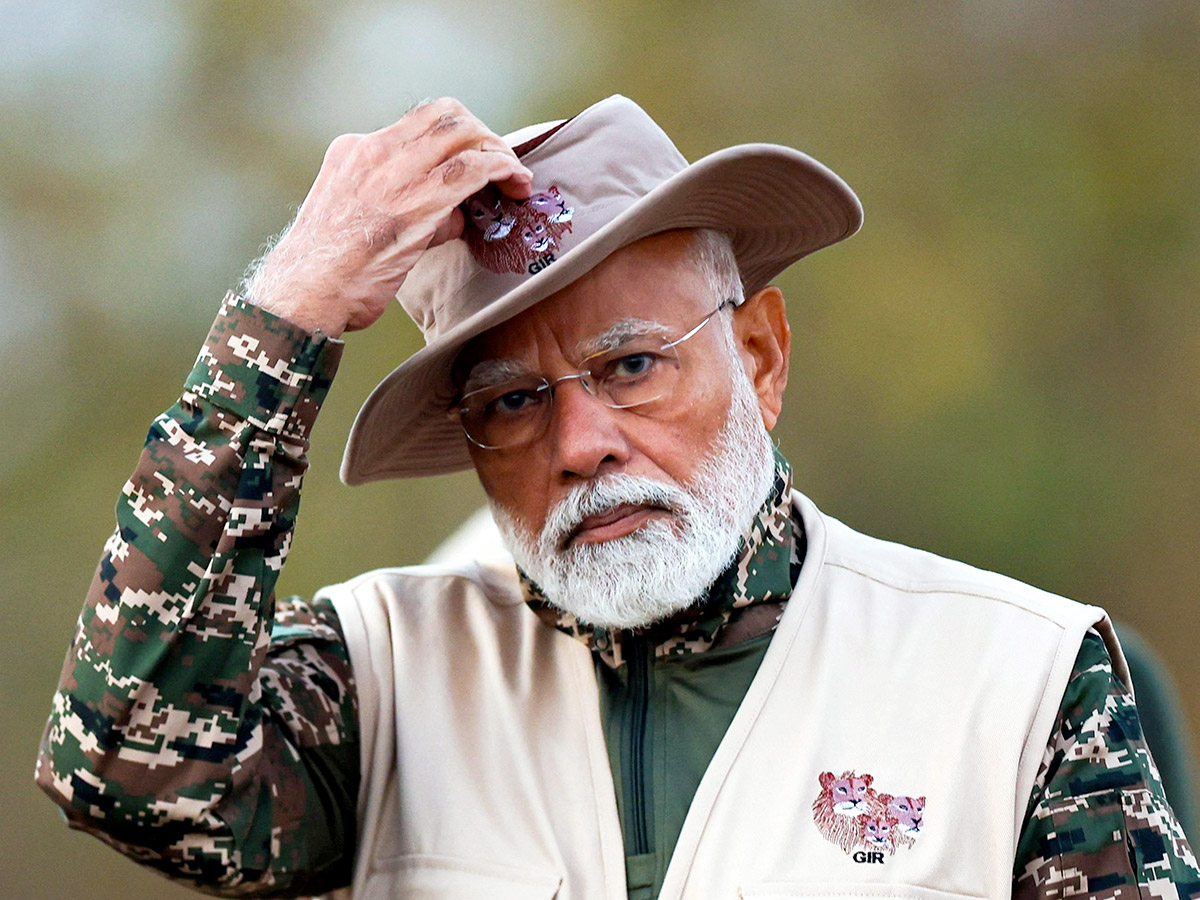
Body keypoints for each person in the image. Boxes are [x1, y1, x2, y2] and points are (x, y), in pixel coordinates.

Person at [36, 95, 1198, 900]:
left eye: (632, 365)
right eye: (512, 403)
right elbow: (125, 766)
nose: (583, 444)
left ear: (759, 357)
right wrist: (282, 314)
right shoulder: (381, 677)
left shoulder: (1017, 680)